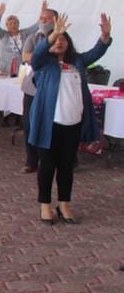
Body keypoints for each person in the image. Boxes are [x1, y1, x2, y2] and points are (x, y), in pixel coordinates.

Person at [28, 13, 112, 224]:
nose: (59, 42)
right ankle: (45, 205)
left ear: (69, 43)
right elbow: (37, 52)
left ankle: (64, 204)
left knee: (66, 167)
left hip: (73, 124)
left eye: (63, 38)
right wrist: (53, 32)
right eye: (55, 39)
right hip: (49, 125)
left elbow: (96, 52)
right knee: (47, 166)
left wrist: (105, 36)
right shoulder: (43, 63)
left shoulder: (78, 62)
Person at [19, 1, 58, 173]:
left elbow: (64, 57)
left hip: (53, 88)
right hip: (32, 87)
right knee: (28, 124)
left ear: (55, 21)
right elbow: (26, 56)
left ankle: (64, 159)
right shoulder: (33, 37)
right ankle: (32, 161)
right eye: (41, 18)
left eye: (47, 18)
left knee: (57, 125)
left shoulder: (63, 39)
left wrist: (39, 56)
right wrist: (44, 55)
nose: (43, 21)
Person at [0, 2, 39, 74]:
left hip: (21, 67)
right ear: (7, 26)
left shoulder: (24, 33)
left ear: (18, 24)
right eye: (10, 24)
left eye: (15, 23)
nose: (13, 25)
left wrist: (42, 13)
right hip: (5, 68)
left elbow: (36, 26)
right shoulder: (3, 35)